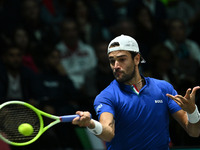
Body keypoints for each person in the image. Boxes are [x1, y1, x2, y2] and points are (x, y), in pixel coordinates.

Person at [72, 34, 200, 150]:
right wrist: (91, 123)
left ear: (137, 59)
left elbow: (194, 132)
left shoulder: (163, 88)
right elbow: (108, 133)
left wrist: (192, 111)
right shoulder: (106, 96)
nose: (116, 65)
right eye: (112, 61)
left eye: (122, 59)